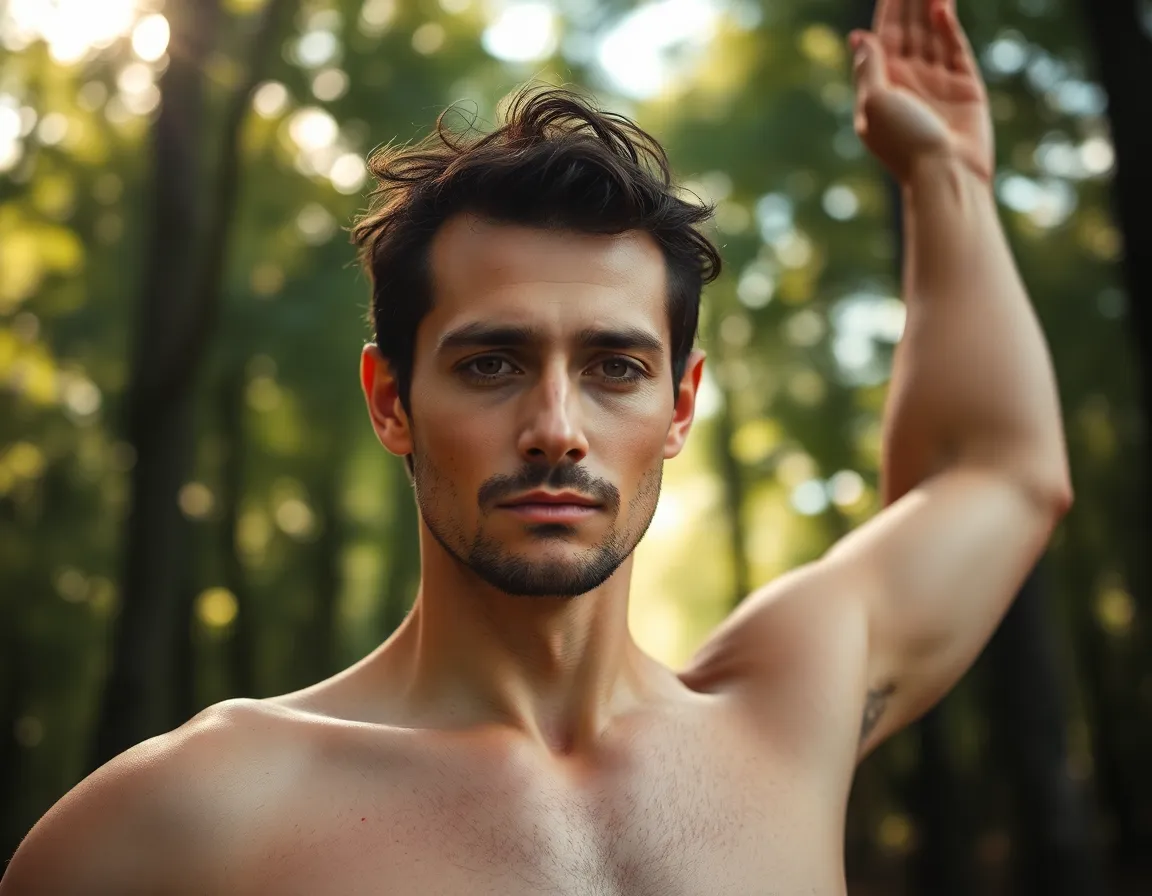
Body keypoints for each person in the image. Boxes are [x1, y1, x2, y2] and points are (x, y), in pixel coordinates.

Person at [2, 1, 1073, 893]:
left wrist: (949, 180)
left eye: (615, 367)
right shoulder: (195, 815)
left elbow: (1000, 472)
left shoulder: (789, 713)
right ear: (391, 401)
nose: (557, 427)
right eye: (491, 363)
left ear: (682, 404)